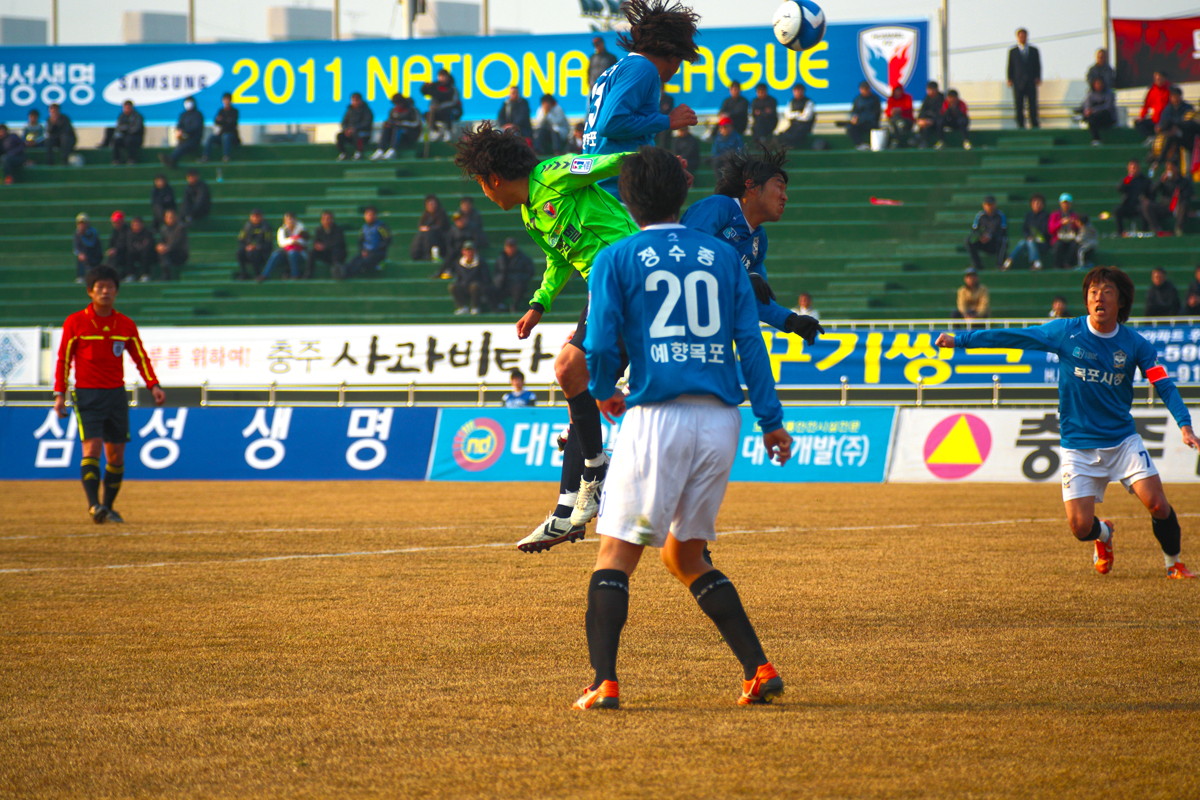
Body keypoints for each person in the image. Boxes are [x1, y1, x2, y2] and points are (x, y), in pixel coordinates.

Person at [575, 145, 791, 711]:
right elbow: (750, 344)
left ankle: (603, 681)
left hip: (658, 416)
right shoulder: (723, 256)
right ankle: (758, 669)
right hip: (720, 422)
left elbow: (600, 338)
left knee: (616, 553)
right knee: (684, 555)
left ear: (629, 200)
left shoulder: (616, 256)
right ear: (682, 194)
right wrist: (771, 421)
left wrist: (602, 386)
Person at [936, 267, 1198, 580]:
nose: (1099, 297)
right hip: (1078, 446)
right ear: (1086, 300)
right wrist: (960, 340)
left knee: (1157, 505)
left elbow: (1163, 384)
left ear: (1121, 301)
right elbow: (1013, 336)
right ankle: (1104, 533)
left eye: (1107, 292)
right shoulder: (1066, 332)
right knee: (1080, 527)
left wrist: (1184, 425)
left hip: (1123, 442)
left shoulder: (1135, 344)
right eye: (1093, 292)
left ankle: (1173, 563)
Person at [455, 124, 640, 551]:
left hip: (628, 275)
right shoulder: (530, 213)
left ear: (492, 179)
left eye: (480, 184)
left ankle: (595, 472)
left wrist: (658, 167)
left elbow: (614, 162)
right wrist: (539, 304)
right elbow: (558, 259)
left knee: (570, 370)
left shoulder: (555, 173)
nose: (484, 193)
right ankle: (567, 510)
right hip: (606, 289)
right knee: (578, 390)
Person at [53, 265, 165, 524]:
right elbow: (64, 359)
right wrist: (60, 393)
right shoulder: (75, 322)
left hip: (116, 395)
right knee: (91, 448)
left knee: (116, 455)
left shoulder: (125, 324)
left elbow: (140, 357)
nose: (105, 292)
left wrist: (153, 385)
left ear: (117, 291)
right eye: (100, 287)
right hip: (87, 394)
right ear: (90, 291)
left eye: (110, 287)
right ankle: (94, 505)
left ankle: (108, 507)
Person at [681, 145, 824, 342]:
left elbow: (756, 298)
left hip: (710, 333)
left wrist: (791, 320)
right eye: (779, 187)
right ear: (752, 186)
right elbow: (688, 247)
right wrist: (742, 274)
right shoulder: (721, 205)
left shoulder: (759, 239)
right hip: (676, 322)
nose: (785, 196)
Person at [582, 0, 700, 198]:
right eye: (681, 60)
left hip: (607, 189)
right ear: (673, 55)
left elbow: (621, 140)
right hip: (615, 195)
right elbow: (610, 124)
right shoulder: (643, 68)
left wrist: (665, 167)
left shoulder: (621, 68)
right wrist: (667, 120)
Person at [1142, 160, 1192, 237]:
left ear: (1176, 168)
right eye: (1167, 168)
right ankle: (1156, 229)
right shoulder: (1163, 180)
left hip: (1178, 207)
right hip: (1165, 206)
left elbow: (1188, 195)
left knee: (1184, 205)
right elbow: (1151, 192)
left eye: (1171, 168)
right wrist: (1160, 182)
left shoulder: (1184, 181)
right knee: (1146, 205)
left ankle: (1179, 229)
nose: (1169, 170)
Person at [258, 212, 309, 282]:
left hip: (299, 253)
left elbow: (305, 242)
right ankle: (265, 275)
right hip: (285, 252)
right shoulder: (282, 230)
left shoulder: (301, 229)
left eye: (291, 219)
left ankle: (295, 275)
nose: (289, 221)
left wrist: (297, 242)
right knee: (275, 255)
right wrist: (292, 241)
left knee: (292, 253)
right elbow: (281, 243)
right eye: (287, 220)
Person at [343, 206, 391, 279]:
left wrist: (376, 249)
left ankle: (349, 275)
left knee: (361, 263)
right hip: (366, 253)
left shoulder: (381, 227)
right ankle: (343, 272)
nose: (369, 217)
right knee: (353, 261)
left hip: (377, 253)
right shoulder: (364, 228)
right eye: (368, 215)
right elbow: (360, 241)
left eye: (371, 215)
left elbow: (387, 240)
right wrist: (362, 250)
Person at [1007, 28, 1041, 129]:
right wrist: (1009, 78)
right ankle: (1020, 124)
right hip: (1018, 82)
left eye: (1024, 36)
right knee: (1019, 105)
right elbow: (1010, 66)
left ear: (1027, 37)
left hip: (1031, 81)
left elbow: (1038, 65)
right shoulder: (1013, 51)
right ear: (1017, 37)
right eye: (1020, 36)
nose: (1022, 38)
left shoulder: (1034, 50)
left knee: (1032, 104)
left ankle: (1034, 123)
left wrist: (1038, 77)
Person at [372, 94, 423, 160]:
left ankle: (392, 150)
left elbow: (416, 123)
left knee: (397, 128)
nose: (397, 105)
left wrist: (402, 123)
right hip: (395, 134)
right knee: (387, 128)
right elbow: (390, 120)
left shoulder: (412, 110)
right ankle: (380, 150)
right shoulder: (393, 110)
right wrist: (389, 123)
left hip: (410, 134)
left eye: (399, 103)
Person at [1005, 194, 1049, 270]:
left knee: (1029, 242)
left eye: (1039, 203)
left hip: (1042, 243)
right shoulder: (1028, 215)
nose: (1037, 205)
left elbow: (1045, 231)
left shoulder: (1046, 216)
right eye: (1035, 203)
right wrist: (1028, 236)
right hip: (1030, 241)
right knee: (1023, 242)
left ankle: (1036, 262)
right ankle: (1009, 261)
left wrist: (1035, 238)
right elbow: (1024, 230)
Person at [492, 236, 535, 312]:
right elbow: (496, 272)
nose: (510, 249)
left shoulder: (524, 258)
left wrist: (519, 278)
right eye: (508, 247)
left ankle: (514, 306)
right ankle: (498, 306)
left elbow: (530, 272)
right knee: (490, 288)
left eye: (512, 247)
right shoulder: (500, 259)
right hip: (503, 284)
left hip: (516, 284)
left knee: (519, 287)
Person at [966, 195, 1007, 271]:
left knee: (1002, 240)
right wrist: (980, 236)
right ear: (984, 205)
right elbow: (974, 230)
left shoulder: (1000, 216)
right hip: (983, 242)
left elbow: (1003, 231)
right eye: (987, 204)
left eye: (991, 204)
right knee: (969, 241)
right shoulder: (980, 216)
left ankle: (999, 265)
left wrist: (990, 236)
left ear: (995, 205)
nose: (989, 207)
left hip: (994, 242)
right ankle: (978, 265)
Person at [421, 69, 463, 140]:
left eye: (443, 76)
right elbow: (425, 92)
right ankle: (436, 131)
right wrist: (426, 86)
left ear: (447, 77)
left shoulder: (452, 88)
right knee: (427, 115)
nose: (442, 78)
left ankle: (448, 131)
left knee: (446, 111)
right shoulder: (435, 87)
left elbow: (453, 102)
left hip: (451, 111)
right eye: (440, 76)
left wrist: (440, 106)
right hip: (437, 111)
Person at [162, 97, 203, 168]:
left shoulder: (198, 115)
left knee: (183, 146)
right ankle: (171, 159)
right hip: (184, 138)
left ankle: (171, 159)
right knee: (180, 145)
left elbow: (196, 127)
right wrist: (179, 132)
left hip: (194, 139)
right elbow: (179, 125)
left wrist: (185, 131)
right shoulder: (183, 115)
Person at [450, 241, 488, 314]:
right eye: (467, 251)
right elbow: (458, 278)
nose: (469, 253)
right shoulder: (459, 262)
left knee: (474, 286)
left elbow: (485, 278)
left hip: (477, 288)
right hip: (464, 286)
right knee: (453, 286)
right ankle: (462, 307)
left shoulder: (481, 262)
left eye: (471, 250)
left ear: (475, 251)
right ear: (463, 252)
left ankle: (475, 307)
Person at [1115, 160, 1151, 236]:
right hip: (1128, 206)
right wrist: (1128, 178)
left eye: (1135, 168)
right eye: (1132, 168)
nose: (1134, 170)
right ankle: (1120, 232)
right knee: (1117, 210)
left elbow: (1150, 193)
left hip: (1139, 206)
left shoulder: (1145, 180)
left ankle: (1144, 231)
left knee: (1144, 209)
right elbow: (1119, 188)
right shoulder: (1127, 179)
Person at [307, 210, 347, 279]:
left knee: (336, 251)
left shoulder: (338, 230)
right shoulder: (319, 230)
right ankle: (308, 273)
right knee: (312, 252)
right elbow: (316, 242)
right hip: (326, 254)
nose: (326, 221)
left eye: (328, 219)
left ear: (332, 220)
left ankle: (336, 271)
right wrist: (317, 246)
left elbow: (338, 243)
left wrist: (325, 246)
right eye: (324, 219)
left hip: (337, 254)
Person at [235, 208, 271, 281]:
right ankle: (244, 273)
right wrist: (246, 247)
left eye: (257, 216)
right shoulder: (247, 227)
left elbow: (268, 244)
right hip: (249, 249)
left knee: (252, 253)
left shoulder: (266, 228)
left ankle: (257, 274)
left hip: (261, 252)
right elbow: (241, 240)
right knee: (239, 252)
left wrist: (257, 246)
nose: (255, 218)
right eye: (253, 216)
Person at [202, 92, 239, 163]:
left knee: (226, 137)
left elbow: (232, 123)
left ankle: (226, 157)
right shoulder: (221, 111)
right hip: (221, 134)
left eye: (227, 99)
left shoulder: (234, 111)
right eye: (225, 99)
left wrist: (223, 120)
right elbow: (216, 121)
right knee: (211, 137)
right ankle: (205, 157)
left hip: (231, 135)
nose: (226, 101)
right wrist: (226, 120)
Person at [409, 194, 448, 261]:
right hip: (426, 236)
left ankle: (429, 255)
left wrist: (429, 229)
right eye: (429, 204)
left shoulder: (441, 213)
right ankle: (416, 254)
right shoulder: (425, 214)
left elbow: (440, 227)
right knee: (420, 235)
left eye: (432, 204)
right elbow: (420, 225)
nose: (431, 206)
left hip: (439, 239)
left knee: (428, 234)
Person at [336, 93, 373, 161]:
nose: (354, 102)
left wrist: (355, 129)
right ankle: (343, 153)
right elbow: (344, 122)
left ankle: (358, 152)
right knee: (340, 136)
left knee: (357, 134)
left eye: (356, 100)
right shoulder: (349, 110)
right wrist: (346, 130)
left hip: (363, 134)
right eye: (353, 100)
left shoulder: (366, 110)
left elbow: (366, 123)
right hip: (351, 133)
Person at [438, 211, 475, 279]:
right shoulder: (453, 230)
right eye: (457, 220)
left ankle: (451, 271)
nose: (459, 222)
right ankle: (441, 271)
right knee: (451, 254)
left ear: (465, 219)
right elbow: (449, 243)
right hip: (456, 250)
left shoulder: (472, 228)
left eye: (460, 219)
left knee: (459, 257)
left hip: (468, 250)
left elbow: (478, 241)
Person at [778, 84, 815, 149]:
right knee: (782, 135)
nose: (798, 93)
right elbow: (788, 115)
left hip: (804, 127)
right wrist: (798, 114)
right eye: (796, 91)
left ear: (803, 91)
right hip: (793, 126)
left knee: (795, 135)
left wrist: (794, 115)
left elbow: (806, 117)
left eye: (799, 91)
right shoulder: (791, 102)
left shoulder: (809, 102)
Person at [1136, 71, 1171, 140]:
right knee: (1139, 123)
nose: (1157, 81)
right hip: (1155, 119)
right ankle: (1151, 137)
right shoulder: (1152, 91)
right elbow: (1146, 105)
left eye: (1159, 79)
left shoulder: (1170, 90)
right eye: (1155, 79)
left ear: (1164, 79)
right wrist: (1142, 116)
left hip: (1167, 119)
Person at [1049, 193, 1080, 270]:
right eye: (1064, 203)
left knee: (1074, 245)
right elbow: (1051, 229)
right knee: (1058, 245)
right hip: (1058, 238)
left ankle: (1068, 264)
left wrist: (1074, 224)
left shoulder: (1073, 215)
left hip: (1070, 237)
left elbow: (1079, 228)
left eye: (1067, 203)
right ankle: (1057, 265)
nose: (1066, 205)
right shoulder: (1055, 214)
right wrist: (1060, 223)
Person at [847, 81, 881, 150]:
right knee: (850, 128)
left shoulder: (875, 99)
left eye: (866, 89)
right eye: (862, 89)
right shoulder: (858, 99)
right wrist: (854, 117)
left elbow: (875, 114)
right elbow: (854, 111)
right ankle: (860, 144)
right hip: (860, 123)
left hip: (871, 123)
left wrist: (860, 118)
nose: (864, 91)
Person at [156, 209, 188, 281]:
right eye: (167, 217)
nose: (169, 219)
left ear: (175, 217)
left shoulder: (180, 228)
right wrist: (160, 246)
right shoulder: (164, 229)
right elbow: (162, 241)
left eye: (171, 217)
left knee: (165, 253)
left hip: (180, 253)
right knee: (161, 252)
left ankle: (167, 274)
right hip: (167, 252)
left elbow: (177, 243)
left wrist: (168, 248)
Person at [1081, 77, 1115, 145]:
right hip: (1094, 117)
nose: (1098, 85)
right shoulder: (1091, 94)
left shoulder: (1109, 94)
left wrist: (1094, 110)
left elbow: (1108, 107)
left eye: (1099, 83)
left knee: (1097, 115)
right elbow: (1087, 104)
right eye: (1096, 84)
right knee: (1091, 118)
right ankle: (1096, 139)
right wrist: (1087, 110)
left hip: (1106, 117)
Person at [73, 213, 103, 283]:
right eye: (79, 223)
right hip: (84, 256)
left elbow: (90, 244)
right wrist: (80, 254)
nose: (81, 225)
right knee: (80, 258)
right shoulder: (76, 233)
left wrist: (82, 236)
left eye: (83, 223)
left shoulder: (93, 232)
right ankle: (80, 277)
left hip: (94, 255)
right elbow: (76, 247)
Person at [125, 217, 157, 283]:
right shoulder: (130, 233)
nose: (135, 227)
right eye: (133, 225)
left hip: (147, 254)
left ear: (142, 225)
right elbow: (130, 246)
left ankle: (146, 275)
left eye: (137, 225)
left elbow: (149, 246)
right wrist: (140, 247)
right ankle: (131, 275)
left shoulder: (148, 233)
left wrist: (139, 247)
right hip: (135, 253)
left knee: (146, 254)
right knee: (129, 254)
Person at [915, 81, 944, 149]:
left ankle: (940, 141)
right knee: (924, 124)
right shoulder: (927, 98)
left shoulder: (941, 98)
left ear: (936, 90)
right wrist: (920, 120)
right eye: (928, 90)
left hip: (937, 121)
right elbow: (923, 110)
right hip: (928, 120)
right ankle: (921, 140)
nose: (930, 92)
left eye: (932, 90)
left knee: (936, 122)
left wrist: (932, 121)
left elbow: (941, 113)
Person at [103, 211, 131, 278]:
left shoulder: (128, 230)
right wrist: (110, 250)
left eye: (117, 222)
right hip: (116, 253)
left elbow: (127, 244)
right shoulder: (115, 231)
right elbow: (111, 243)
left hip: (125, 253)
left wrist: (116, 249)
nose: (115, 224)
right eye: (114, 222)